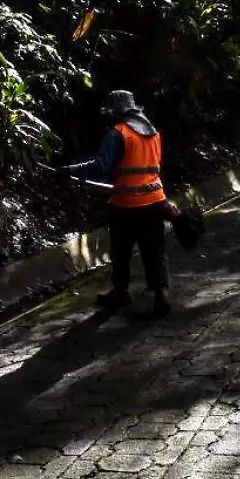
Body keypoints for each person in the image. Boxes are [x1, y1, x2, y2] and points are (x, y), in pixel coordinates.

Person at [61, 89, 172, 319]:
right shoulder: (153, 133)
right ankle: (161, 298)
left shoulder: (117, 133)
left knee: (121, 251)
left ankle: (121, 291)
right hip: (155, 202)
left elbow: (101, 167)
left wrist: (70, 171)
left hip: (126, 205)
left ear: (117, 112)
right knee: (155, 250)